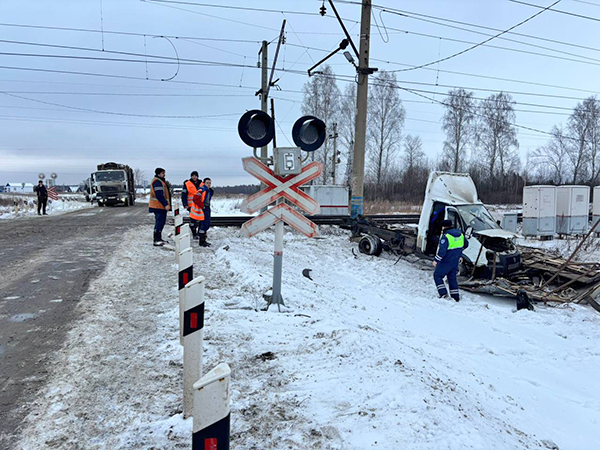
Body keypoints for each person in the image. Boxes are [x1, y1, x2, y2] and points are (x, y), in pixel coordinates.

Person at [433, 219, 469, 302]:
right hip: (455, 260)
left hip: (446, 260)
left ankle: (443, 294)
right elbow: (466, 244)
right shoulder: (460, 234)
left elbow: (442, 251)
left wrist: (436, 260)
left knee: (437, 276)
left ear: (443, 227)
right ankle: (455, 296)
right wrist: (458, 251)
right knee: (452, 278)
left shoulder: (446, 236)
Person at [149, 167, 171, 246]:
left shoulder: (160, 181)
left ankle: (159, 238)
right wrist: (165, 204)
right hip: (158, 206)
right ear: (159, 174)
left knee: (161, 222)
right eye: (163, 173)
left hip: (159, 206)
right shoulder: (157, 181)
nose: (164, 175)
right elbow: (159, 195)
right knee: (159, 223)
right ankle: (156, 239)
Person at [182, 171, 204, 239]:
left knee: (201, 220)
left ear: (197, 176)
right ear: (191, 176)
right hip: (191, 205)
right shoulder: (187, 184)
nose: (194, 177)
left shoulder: (202, 184)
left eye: (195, 175)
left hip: (200, 205)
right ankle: (194, 234)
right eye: (193, 176)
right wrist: (185, 204)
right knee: (193, 221)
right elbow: (184, 195)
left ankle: (199, 233)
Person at [199, 177, 214, 247]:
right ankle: (201, 241)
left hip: (207, 207)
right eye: (207, 183)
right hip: (204, 208)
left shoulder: (208, 190)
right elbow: (196, 199)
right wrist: (202, 206)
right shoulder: (202, 190)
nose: (209, 184)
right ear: (204, 183)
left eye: (210, 183)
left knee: (206, 223)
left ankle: (203, 239)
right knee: (203, 224)